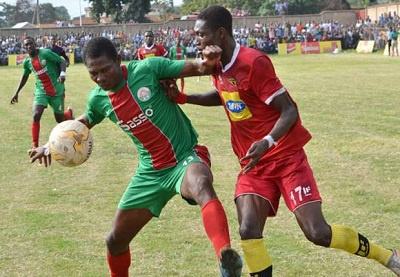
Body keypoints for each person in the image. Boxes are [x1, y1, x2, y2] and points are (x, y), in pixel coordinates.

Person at [166, 5, 400, 277]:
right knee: (248, 229)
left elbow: (288, 109)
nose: (197, 41)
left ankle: (389, 256)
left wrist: (267, 141)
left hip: (286, 158)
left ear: (220, 34)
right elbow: (226, 96)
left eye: (201, 35)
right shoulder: (215, 65)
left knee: (317, 232)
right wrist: (183, 98)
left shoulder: (254, 63)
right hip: (254, 165)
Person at [29, 37, 242, 277]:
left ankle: (226, 258)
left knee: (202, 184)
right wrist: (50, 144)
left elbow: (197, 67)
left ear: (118, 61)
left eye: (105, 70)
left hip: (184, 157)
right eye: (93, 73)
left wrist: (208, 60)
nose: (100, 78)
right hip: (149, 172)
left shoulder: (148, 69)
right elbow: (86, 120)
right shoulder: (99, 98)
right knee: (115, 241)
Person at [10, 37, 74, 150]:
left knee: (59, 120)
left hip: (56, 90)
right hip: (41, 91)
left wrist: (62, 74)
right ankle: (35, 146)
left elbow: (62, 61)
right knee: (36, 115)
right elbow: (25, 76)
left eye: (30, 43)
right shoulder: (27, 62)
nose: (29, 46)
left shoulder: (46, 53)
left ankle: (69, 114)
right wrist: (17, 92)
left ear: (35, 44)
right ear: (24, 48)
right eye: (26, 45)